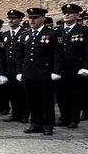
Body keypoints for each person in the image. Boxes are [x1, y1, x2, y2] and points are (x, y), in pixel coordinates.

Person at [14, 7, 64, 136]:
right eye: (30, 18)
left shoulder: (52, 33)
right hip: (28, 72)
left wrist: (56, 71)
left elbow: (58, 54)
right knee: (32, 100)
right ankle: (35, 123)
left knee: (46, 101)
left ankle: (47, 125)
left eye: (34, 18)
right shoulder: (25, 35)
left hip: (45, 73)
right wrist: (19, 71)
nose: (31, 20)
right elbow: (20, 55)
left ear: (43, 18)